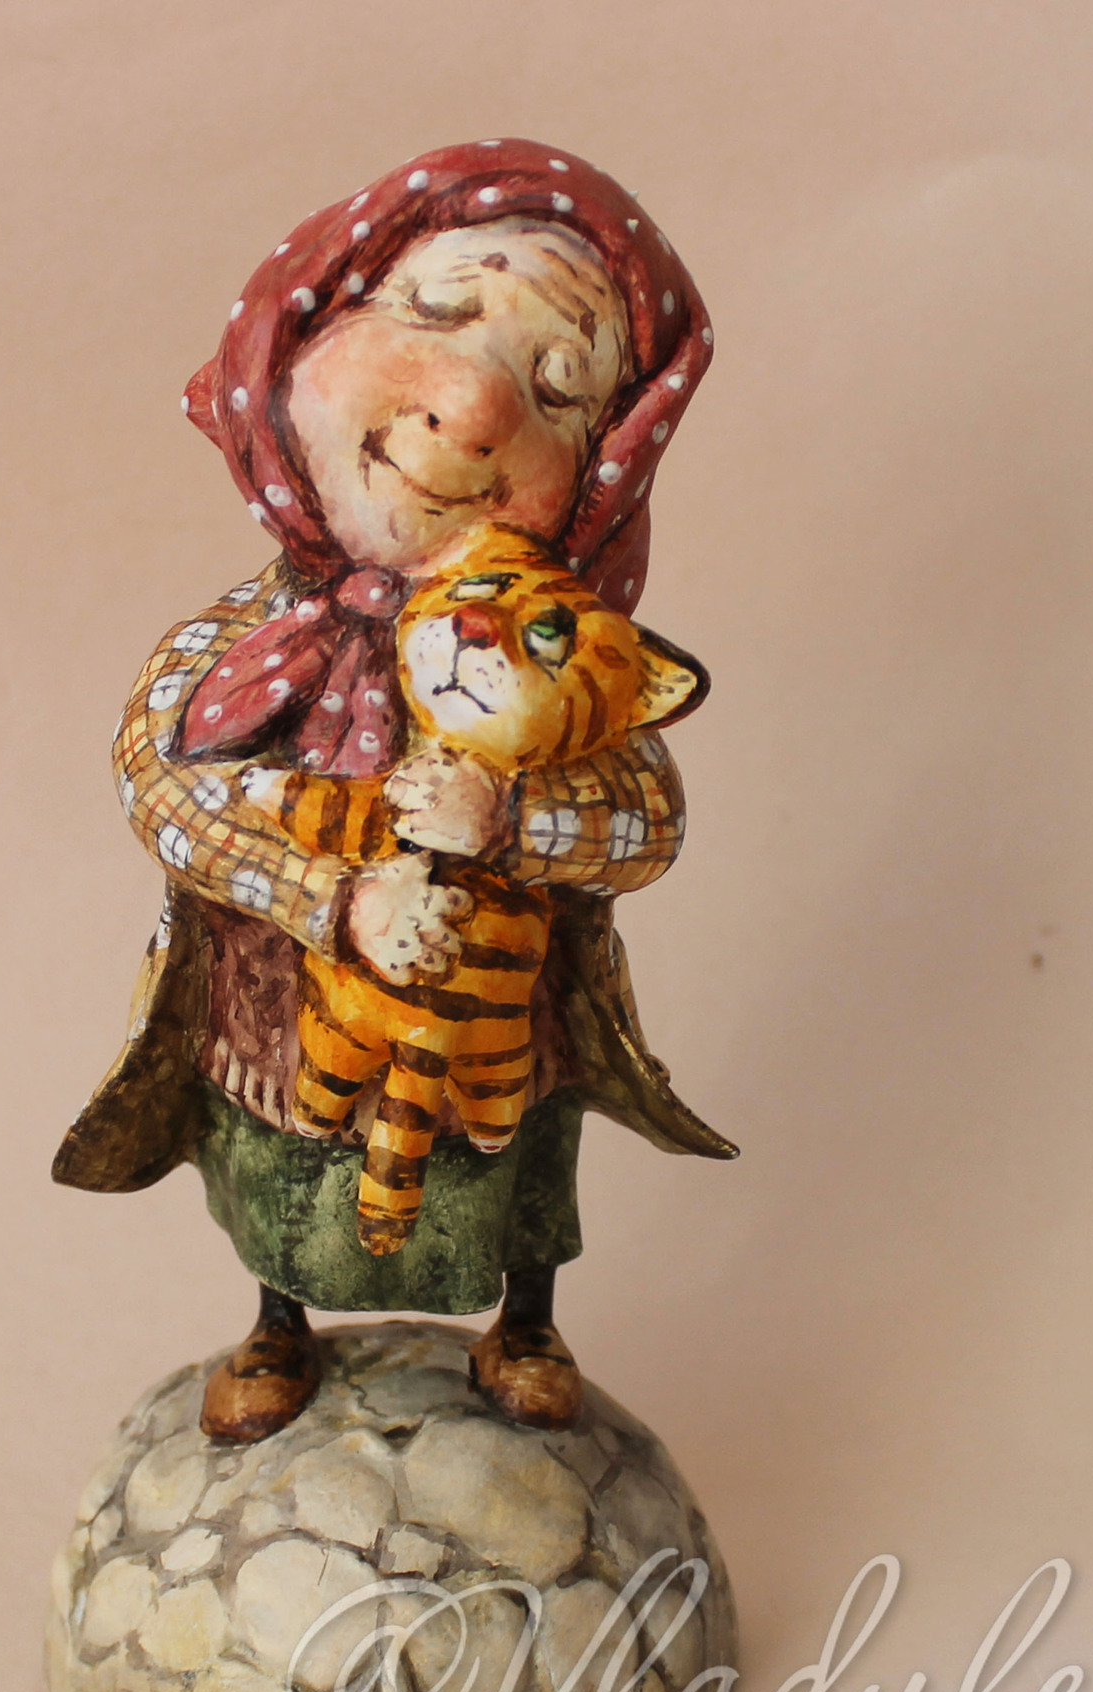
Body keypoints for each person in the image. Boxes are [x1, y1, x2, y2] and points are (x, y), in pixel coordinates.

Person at [54, 139, 734, 1442]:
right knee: (281, 1158)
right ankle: (279, 1320)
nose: (473, 407)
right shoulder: (246, 647)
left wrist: (514, 822)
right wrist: (328, 898)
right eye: (435, 307)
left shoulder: (554, 659)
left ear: (608, 468)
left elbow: (648, 820)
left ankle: (525, 1316)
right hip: (291, 989)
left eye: (561, 388)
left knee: (515, 1158)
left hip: (495, 1014)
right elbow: (165, 782)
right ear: (298, 328)